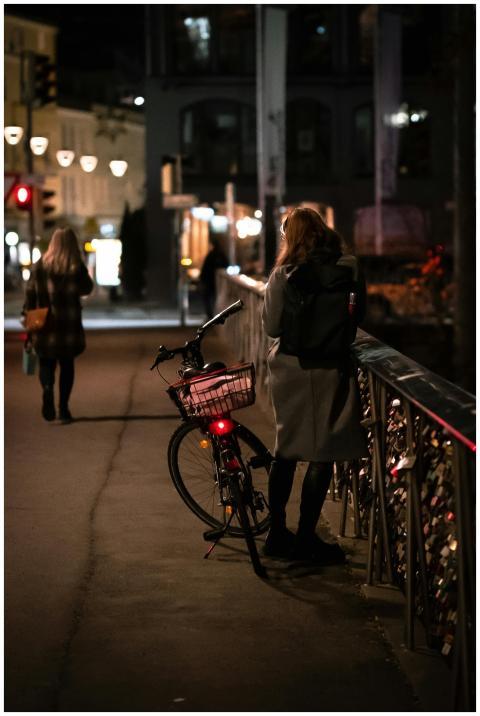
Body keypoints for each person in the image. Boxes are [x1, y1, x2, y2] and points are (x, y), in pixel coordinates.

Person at [262, 207, 368, 563]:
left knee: (286, 449)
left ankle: (277, 534)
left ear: (288, 237)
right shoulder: (349, 266)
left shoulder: (282, 275)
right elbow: (359, 314)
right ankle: (307, 537)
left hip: (291, 367)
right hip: (331, 366)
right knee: (322, 454)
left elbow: (272, 328)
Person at [24, 227, 94, 424]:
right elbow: (87, 288)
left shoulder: (39, 266)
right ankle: (63, 409)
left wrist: (29, 320)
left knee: (46, 362)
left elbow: (30, 294)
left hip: (44, 324)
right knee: (66, 365)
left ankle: (47, 388)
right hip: (68, 327)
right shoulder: (75, 267)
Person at [199, 237, 229, 319]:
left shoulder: (211, 255)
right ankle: (214, 316)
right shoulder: (221, 255)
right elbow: (226, 265)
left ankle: (210, 316)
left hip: (209, 281)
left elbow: (204, 269)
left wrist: (202, 279)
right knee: (215, 299)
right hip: (216, 282)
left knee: (208, 299)